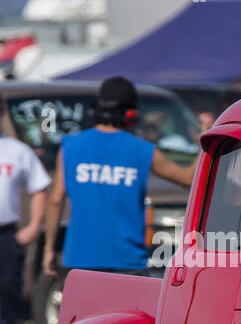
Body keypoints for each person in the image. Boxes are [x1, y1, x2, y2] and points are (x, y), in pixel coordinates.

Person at [41, 76, 196, 281]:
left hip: (80, 261)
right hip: (128, 263)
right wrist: (205, 140)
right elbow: (188, 178)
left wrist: (49, 249)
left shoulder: (70, 146)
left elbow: (55, 200)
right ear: (131, 113)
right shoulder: (142, 150)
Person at [0, 124, 49, 324]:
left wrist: (33, 227)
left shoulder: (17, 151)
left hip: (6, 237)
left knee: (5, 309)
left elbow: (39, 187)